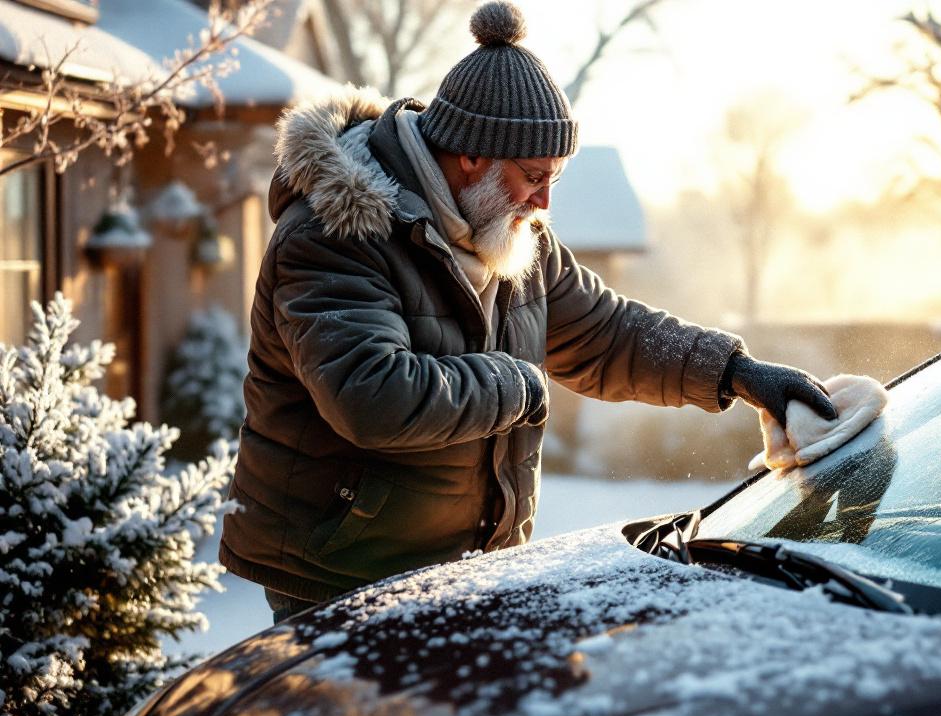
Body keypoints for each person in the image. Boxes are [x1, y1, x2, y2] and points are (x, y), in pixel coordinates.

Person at [222, 1, 836, 623]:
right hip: (342, 576)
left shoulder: (511, 237)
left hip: (470, 567)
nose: (543, 201)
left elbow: (606, 332)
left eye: (555, 179)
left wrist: (735, 372)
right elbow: (370, 395)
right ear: (471, 157)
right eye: (533, 176)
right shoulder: (335, 233)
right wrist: (514, 382)